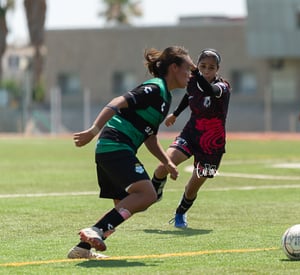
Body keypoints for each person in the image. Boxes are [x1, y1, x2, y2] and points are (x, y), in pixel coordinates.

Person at [67, 46, 196, 259]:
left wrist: (167, 162)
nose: (190, 75)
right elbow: (118, 101)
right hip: (116, 145)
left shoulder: (166, 98)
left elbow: (150, 136)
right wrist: (93, 130)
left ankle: (82, 248)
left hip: (112, 148)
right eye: (188, 69)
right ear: (174, 67)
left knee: (125, 205)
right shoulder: (155, 88)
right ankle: (96, 230)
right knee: (147, 194)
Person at [151, 48, 231, 228]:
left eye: (211, 67)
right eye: (202, 66)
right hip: (191, 133)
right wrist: (175, 114)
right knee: (164, 164)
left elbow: (208, 90)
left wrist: (194, 71)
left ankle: (180, 213)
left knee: (192, 188)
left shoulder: (223, 87)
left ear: (217, 69)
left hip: (212, 143)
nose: (206, 70)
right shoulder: (193, 81)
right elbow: (189, 95)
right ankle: (155, 190)